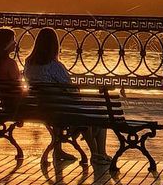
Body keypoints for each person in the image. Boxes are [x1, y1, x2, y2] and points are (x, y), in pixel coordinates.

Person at [24, 28, 108, 166]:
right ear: (55, 46)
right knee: (99, 114)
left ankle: (58, 151)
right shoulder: (55, 66)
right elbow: (71, 90)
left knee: (78, 112)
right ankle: (98, 154)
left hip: (44, 109)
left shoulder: (29, 64)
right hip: (64, 110)